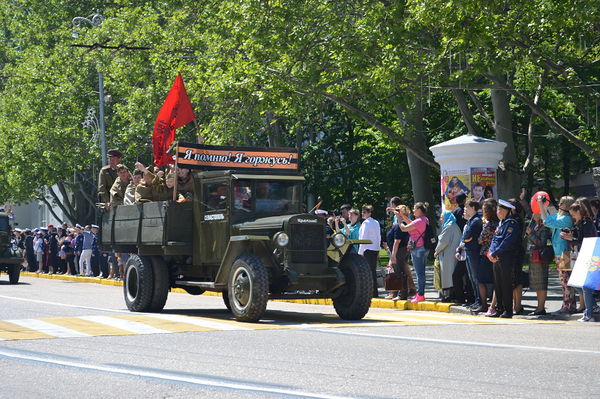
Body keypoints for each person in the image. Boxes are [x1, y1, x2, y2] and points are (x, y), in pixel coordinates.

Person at [538, 195, 576, 314]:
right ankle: (568, 303)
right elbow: (547, 219)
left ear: (567, 206)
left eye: (562, 204)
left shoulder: (567, 219)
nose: (559, 205)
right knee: (563, 280)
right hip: (559, 252)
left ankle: (568, 304)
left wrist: (541, 207)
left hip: (565, 253)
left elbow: (549, 222)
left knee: (566, 280)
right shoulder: (559, 216)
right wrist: (543, 207)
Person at [561, 202, 598, 322]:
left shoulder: (587, 224)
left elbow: (587, 242)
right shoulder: (581, 223)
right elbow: (578, 234)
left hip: (588, 257)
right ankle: (592, 306)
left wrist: (572, 239)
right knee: (575, 283)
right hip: (583, 257)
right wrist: (569, 231)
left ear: (579, 212)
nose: (572, 217)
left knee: (584, 286)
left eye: (573, 214)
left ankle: (589, 314)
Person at [488, 199, 520, 318]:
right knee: (497, 283)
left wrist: (495, 252)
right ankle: (499, 308)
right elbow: (495, 239)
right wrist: (491, 253)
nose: (498, 212)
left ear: (507, 211)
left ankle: (508, 309)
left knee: (506, 283)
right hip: (496, 256)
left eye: (500, 210)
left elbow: (506, 242)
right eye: (498, 209)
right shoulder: (501, 223)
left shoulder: (512, 224)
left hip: (506, 255)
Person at [399, 202, 430, 303]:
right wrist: (403, 215)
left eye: (414, 208)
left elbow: (403, 229)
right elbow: (411, 223)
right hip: (423, 248)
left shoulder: (419, 221)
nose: (413, 210)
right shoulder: (424, 220)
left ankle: (420, 294)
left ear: (419, 210)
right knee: (422, 273)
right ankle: (420, 294)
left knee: (419, 274)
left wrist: (399, 219)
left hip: (417, 249)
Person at [385, 203, 414, 300]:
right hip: (404, 250)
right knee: (401, 271)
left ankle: (402, 295)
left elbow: (396, 242)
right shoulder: (404, 223)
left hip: (399, 251)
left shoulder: (399, 225)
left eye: (397, 210)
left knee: (400, 272)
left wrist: (393, 255)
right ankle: (397, 293)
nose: (395, 211)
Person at [526, 212, 552, 315]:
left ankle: (541, 308)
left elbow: (542, 243)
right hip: (533, 256)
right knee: (536, 283)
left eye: (535, 213)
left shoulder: (544, 228)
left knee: (541, 283)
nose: (532, 214)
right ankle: (539, 307)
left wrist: (531, 234)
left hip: (540, 257)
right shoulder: (534, 224)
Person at [434, 211, 461, 301]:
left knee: (448, 275)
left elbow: (443, 241)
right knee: (451, 274)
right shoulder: (454, 226)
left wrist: (437, 250)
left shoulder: (449, 226)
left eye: (442, 217)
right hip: (452, 253)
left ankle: (449, 296)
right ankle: (453, 294)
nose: (440, 219)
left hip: (448, 255)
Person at [461, 199, 483, 310]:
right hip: (469, 250)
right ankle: (476, 300)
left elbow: (467, 235)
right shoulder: (471, 220)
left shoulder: (476, 221)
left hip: (474, 251)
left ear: (473, 208)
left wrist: (466, 238)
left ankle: (480, 300)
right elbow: (464, 236)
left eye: (467, 207)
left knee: (475, 277)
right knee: (471, 277)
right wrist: (466, 239)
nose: (465, 209)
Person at [479, 199, 499, 315]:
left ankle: (483, 304)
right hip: (496, 254)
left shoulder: (488, 225)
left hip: (486, 253)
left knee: (480, 280)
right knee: (494, 280)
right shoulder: (498, 223)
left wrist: (485, 239)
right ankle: (496, 304)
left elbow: (480, 239)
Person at [358, 205, 381, 298]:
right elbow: (378, 237)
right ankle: (374, 292)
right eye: (362, 211)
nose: (362, 213)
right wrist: (378, 249)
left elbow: (363, 238)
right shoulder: (376, 222)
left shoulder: (366, 223)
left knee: (368, 272)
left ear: (370, 213)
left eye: (365, 211)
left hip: (368, 249)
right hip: (374, 248)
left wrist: (360, 252)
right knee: (373, 271)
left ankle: (371, 293)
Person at [508, 198, 526, 315]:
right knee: (512, 279)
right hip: (512, 251)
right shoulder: (512, 219)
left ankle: (518, 305)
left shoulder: (517, 219)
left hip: (517, 251)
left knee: (516, 278)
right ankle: (515, 304)